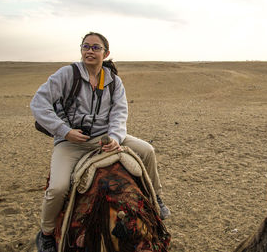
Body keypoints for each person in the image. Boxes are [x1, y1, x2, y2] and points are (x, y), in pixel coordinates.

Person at [31, 32, 170, 252]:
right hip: (72, 143)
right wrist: (65, 132)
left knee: (147, 151)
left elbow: (119, 112)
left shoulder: (113, 81)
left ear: (106, 53)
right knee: (58, 188)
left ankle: (158, 199)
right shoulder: (67, 75)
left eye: (96, 48)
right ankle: (46, 233)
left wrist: (115, 138)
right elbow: (38, 103)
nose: (90, 51)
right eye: (86, 46)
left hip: (106, 138)